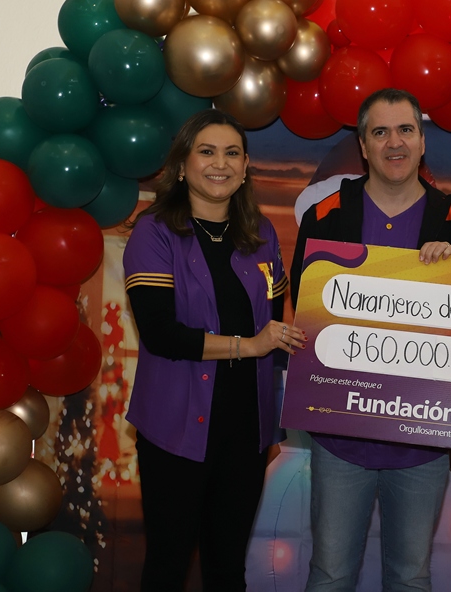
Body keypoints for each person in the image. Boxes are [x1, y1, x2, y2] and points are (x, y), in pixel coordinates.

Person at [290, 88, 451, 591]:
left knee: (411, 577)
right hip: (341, 437)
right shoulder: (325, 217)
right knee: (330, 574)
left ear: (423, 141)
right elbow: (306, 311)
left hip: (423, 441)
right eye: (380, 132)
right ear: (363, 146)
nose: (394, 142)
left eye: (405, 130)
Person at [123, 109, 306, 592]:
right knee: (167, 566)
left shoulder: (261, 233)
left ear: (245, 168)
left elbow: (276, 329)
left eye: (232, 153)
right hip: (175, 429)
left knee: (227, 571)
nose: (220, 163)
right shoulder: (154, 231)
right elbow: (161, 334)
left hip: (246, 431)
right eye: (206, 152)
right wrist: (250, 345)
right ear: (182, 165)